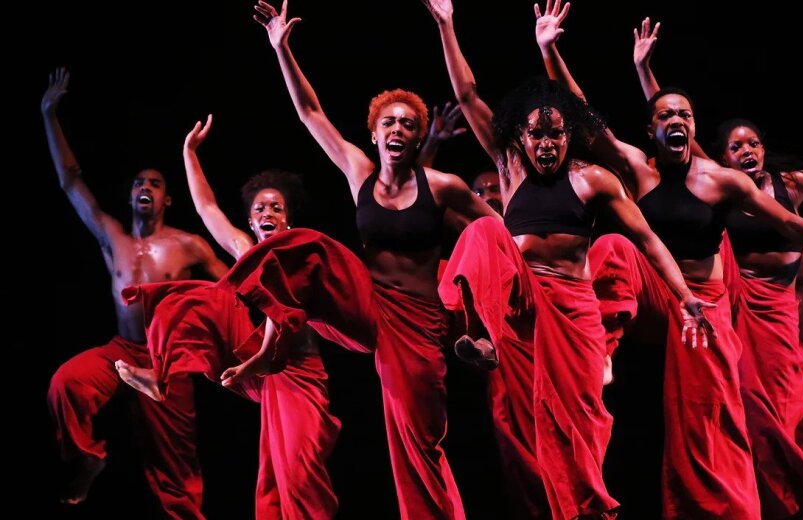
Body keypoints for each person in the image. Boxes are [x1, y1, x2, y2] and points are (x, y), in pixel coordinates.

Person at [537, 6, 803, 517]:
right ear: (650, 129)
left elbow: (795, 225)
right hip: (657, 295)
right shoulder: (637, 169)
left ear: (692, 127)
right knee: (616, 248)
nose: (676, 121)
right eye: (665, 116)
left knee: (709, 423)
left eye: (684, 115)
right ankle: (600, 351)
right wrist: (549, 48)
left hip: (703, 305)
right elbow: (584, 116)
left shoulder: (718, 180)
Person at [422, 1, 715, 517]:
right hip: (519, 299)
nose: (545, 144)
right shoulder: (509, 166)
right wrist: (447, 24)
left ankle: (587, 508)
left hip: (573, 307)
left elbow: (648, 239)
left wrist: (687, 297)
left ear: (568, 135)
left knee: (578, 423)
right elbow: (467, 94)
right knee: (487, 231)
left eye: (555, 134)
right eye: (536, 134)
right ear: (521, 136)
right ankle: (483, 333)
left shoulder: (593, 180)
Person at [214, 2, 500, 518]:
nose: (396, 129)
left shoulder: (444, 187)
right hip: (365, 305)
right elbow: (310, 113)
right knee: (303, 248)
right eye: (388, 122)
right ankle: (271, 345)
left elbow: (493, 234)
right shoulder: (358, 170)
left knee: (418, 435)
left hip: (420, 321)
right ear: (374, 133)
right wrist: (282, 49)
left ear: (418, 137)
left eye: (408, 124)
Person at [633, 21, 803, 517]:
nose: (746, 152)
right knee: (744, 407)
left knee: (787, 411)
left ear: (764, 150)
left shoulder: (795, 183)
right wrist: (644, 69)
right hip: (738, 301)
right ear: (721, 155)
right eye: (736, 147)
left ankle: (787, 501)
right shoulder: (718, 181)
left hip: (781, 313)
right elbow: (672, 124)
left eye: (753, 145)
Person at [115, 114, 341, 519]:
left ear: (288, 220)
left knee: (297, 474)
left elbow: (284, 313)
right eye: (260, 208)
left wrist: (254, 362)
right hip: (263, 370)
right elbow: (206, 208)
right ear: (253, 222)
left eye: (276, 206)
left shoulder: (299, 254)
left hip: (299, 376)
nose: (267, 211)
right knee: (196, 297)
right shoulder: (246, 250)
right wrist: (189, 153)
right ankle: (160, 374)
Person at [42, 67, 228, 517]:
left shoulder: (188, 245)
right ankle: (86, 458)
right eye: (138, 183)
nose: (145, 187)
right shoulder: (114, 238)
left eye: (155, 183)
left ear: (167, 200)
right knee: (66, 383)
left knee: (175, 467)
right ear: (130, 197)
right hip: (120, 351)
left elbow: (230, 289)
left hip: (166, 361)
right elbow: (71, 182)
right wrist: (49, 114)